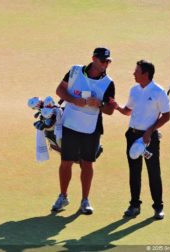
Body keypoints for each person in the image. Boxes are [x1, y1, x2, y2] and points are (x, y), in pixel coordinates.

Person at [51, 47, 115, 214]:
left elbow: (110, 110)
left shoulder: (109, 82)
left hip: (91, 128)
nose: (106, 64)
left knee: (87, 163)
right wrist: (73, 100)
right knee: (66, 162)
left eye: (108, 61)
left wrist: (99, 105)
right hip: (70, 124)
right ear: (94, 59)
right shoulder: (74, 71)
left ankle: (85, 200)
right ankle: (63, 196)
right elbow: (60, 90)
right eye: (103, 61)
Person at [110, 60, 170, 219]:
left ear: (145, 74)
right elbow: (127, 111)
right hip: (132, 135)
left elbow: (166, 116)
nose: (133, 73)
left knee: (153, 172)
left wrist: (150, 131)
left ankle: (158, 207)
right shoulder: (134, 90)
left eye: (136, 71)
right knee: (134, 172)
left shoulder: (159, 92)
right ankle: (134, 205)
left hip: (149, 139)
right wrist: (117, 107)